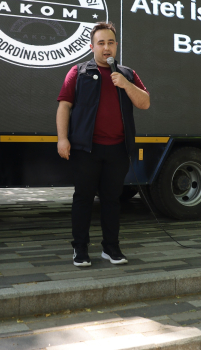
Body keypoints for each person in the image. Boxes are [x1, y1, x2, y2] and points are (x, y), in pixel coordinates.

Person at [56, 22, 150, 267]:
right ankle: (80, 249)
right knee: (83, 198)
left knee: (112, 200)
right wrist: (62, 138)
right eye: (101, 43)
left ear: (116, 45)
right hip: (86, 149)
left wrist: (126, 84)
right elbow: (64, 106)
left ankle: (111, 248)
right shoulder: (78, 72)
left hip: (118, 150)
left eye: (110, 43)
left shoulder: (127, 74)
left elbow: (145, 103)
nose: (106, 48)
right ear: (92, 47)